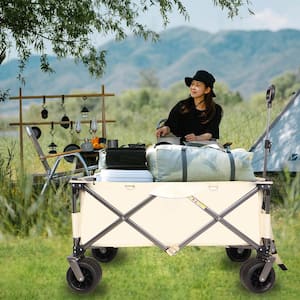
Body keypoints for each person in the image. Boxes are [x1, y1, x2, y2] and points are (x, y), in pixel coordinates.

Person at [156, 70, 223, 143]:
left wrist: (197, 138)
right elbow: (170, 124)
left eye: (197, 85)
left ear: (207, 90)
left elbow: (211, 133)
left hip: (203, 145)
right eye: (192, 84)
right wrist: (165, 128)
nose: (193, 87)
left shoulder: (216, 109)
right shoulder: (182, 106)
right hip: (179, 145)